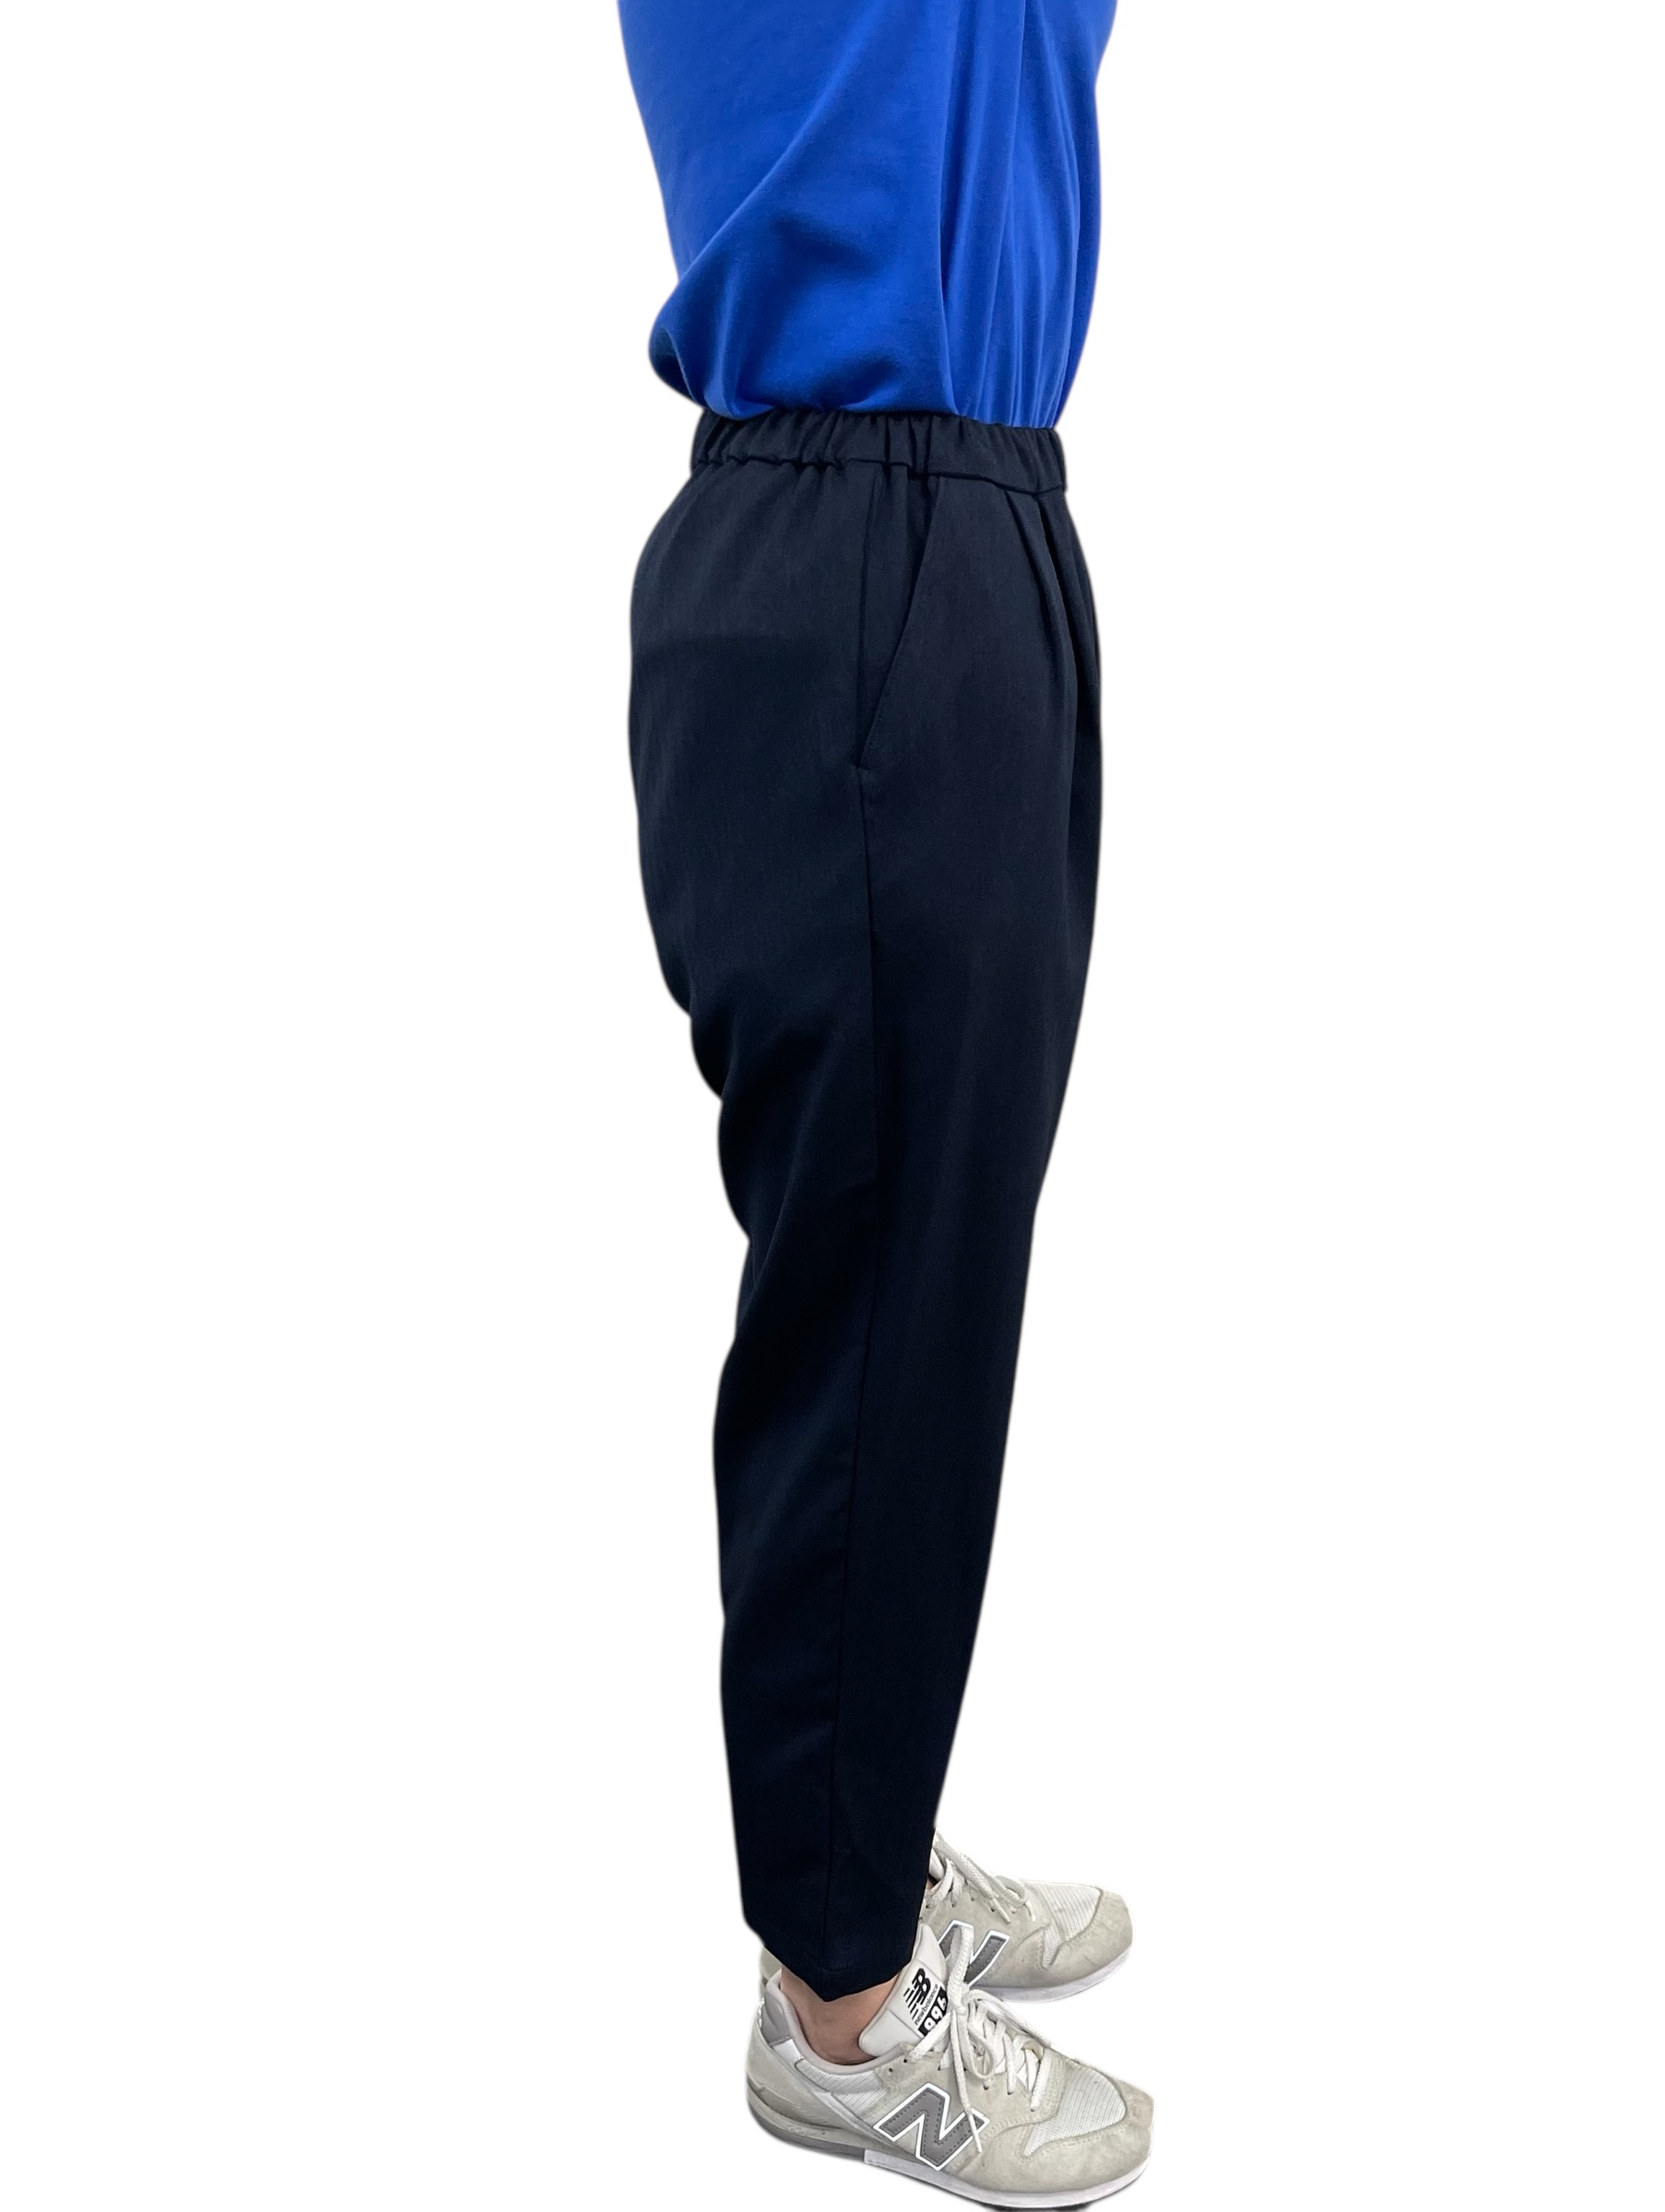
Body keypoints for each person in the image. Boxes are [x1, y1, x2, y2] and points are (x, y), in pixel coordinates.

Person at [619, 1, 1151, 2198]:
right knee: (872, 1309)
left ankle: (860, 1831)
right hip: (862, 530)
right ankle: (836, 2001)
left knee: (930, 1287)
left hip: (973, 515)